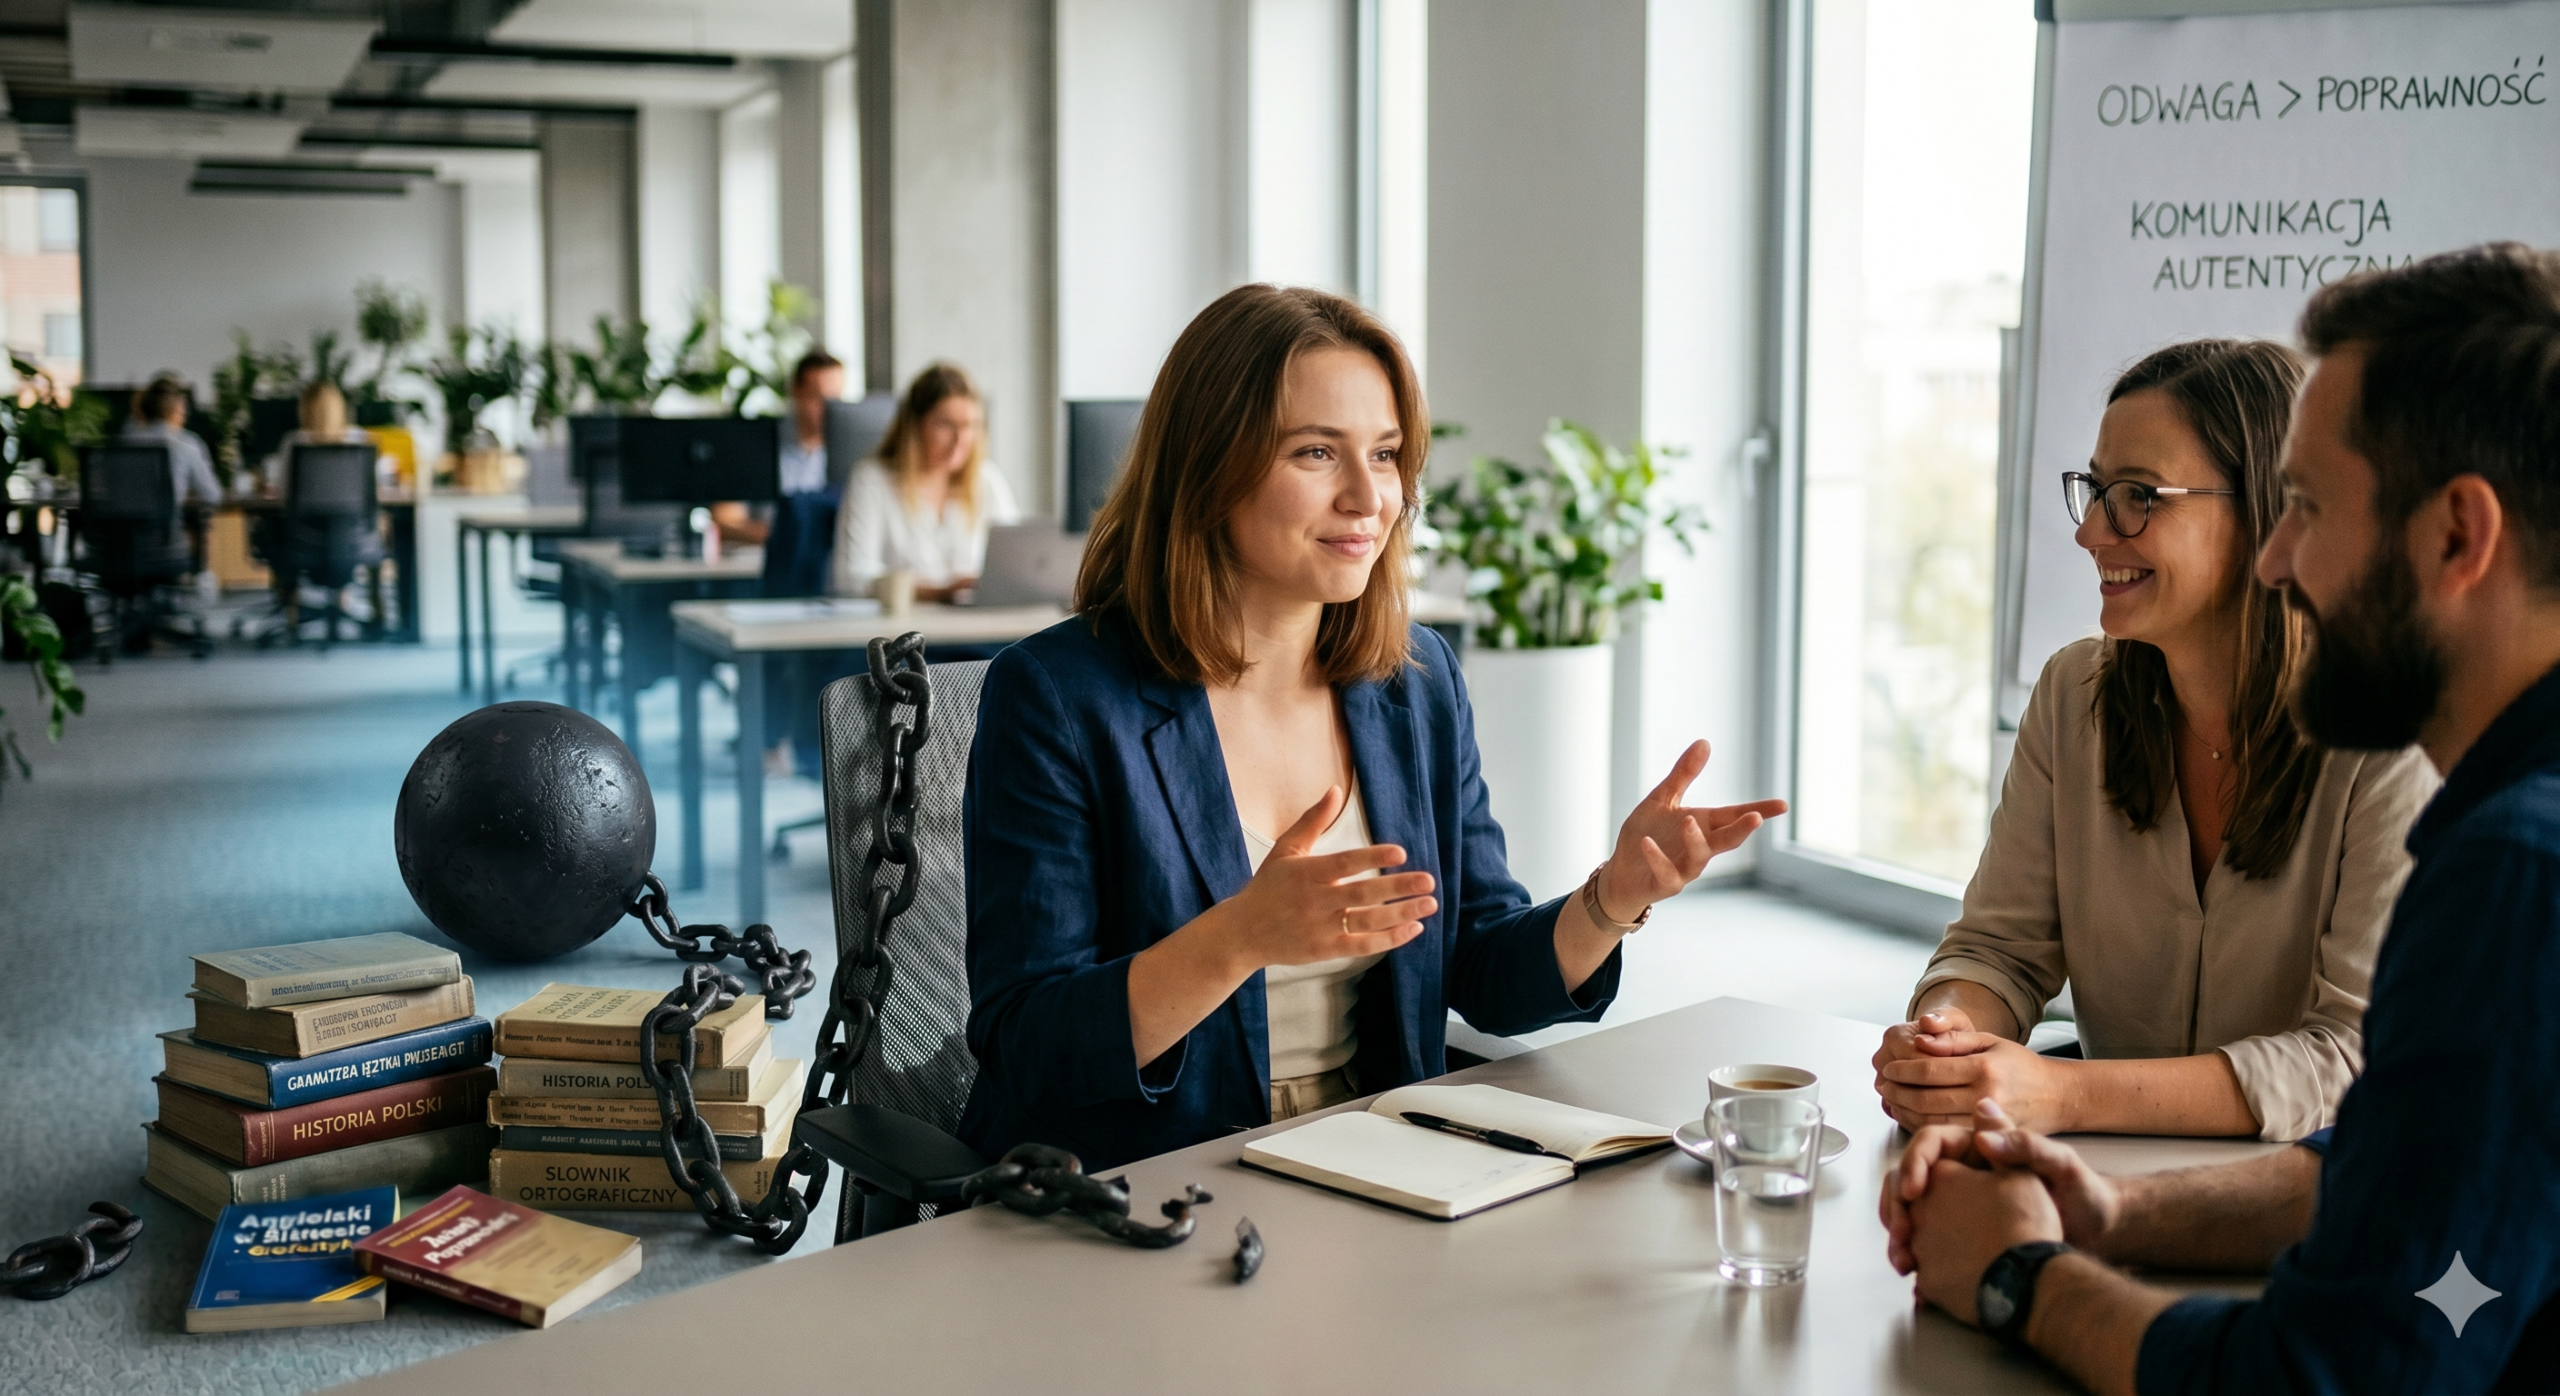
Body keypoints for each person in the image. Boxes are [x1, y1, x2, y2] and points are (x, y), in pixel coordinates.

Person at [1884, 243, 2560, 1395]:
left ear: (2455, 534)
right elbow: (2387, 1167)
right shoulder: (2509, 827)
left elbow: (2325, 1376)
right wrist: (2113, 1211)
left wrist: (2021, 1275)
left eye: (2305, 507)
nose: (2282, 560)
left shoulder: (2513, 866)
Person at [957, 283, 1787, 1170]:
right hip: (1147, 1180)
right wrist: (1239, 936)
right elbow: (1027, 1046)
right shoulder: (1058, 697)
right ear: (1207, 468)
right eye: (1317, 452)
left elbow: (1475, 968)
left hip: (1372, 1157)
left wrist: (1613, 899)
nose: (1368, 497)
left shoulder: (1414, 684)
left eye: (1385, 455)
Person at [1875, 341, 2435, 1142]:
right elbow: (2000, 949)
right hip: (2094, 1185)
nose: (2092, 533)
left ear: (2268, 515)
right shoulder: (2073, 696)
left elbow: (2350, 1057)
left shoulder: (2389, 741)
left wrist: (2065, 1095)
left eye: (2138, 496)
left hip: (2301, 1213)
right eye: (2097, 490)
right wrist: (1949, 1035)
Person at [830, 361, 1021, 603]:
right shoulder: (871, 480)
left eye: (969, 426)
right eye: (946, 425)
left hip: (978, 628)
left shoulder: (987, 480)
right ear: (915, 427)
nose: (960, 439)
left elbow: (1016, 566)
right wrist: (936, 593)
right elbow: (851, 576)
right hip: (902, 632)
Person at [117, 374, 222, 511]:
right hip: (165, 530)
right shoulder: (187, 444)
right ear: (177, 409)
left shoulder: (123, 443)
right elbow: (212, 495)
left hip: (121, 530)